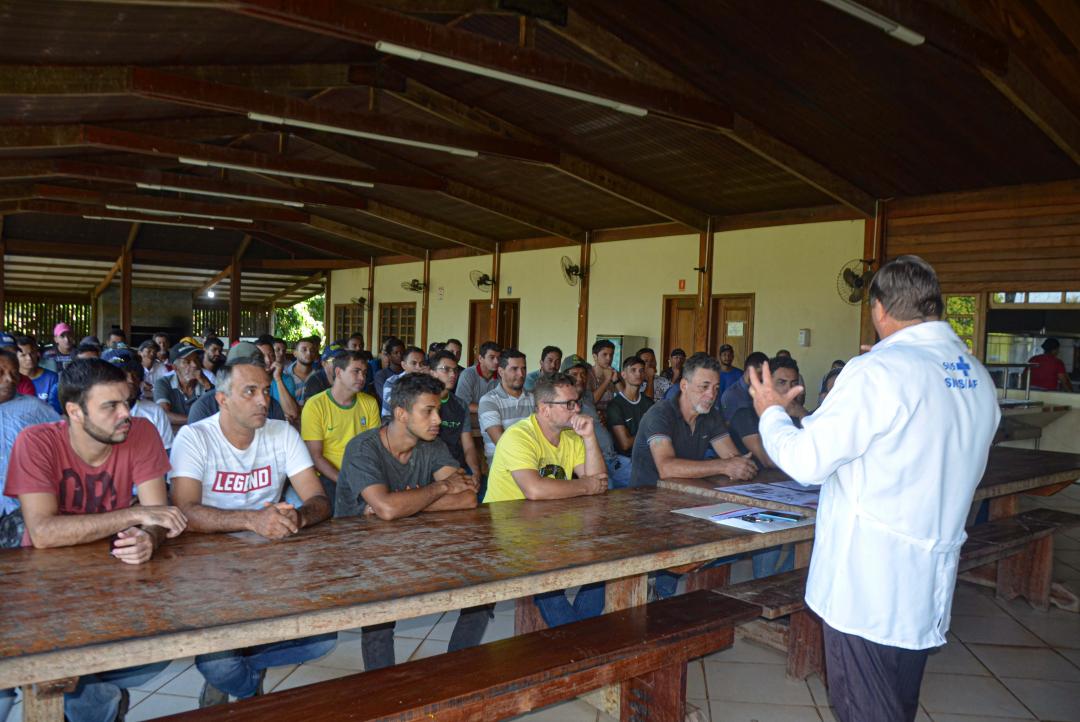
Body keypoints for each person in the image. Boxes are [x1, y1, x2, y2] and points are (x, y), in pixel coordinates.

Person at [750, 256, 999, 722]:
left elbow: (807, 462)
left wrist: (769, 410)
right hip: (926, 579)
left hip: (868, 582)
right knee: (897, 704)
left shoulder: (878, 373)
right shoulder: (975, 376)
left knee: (866, 709)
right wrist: (879, 364)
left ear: (879, 310)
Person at [3, 358, 184, 722]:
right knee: (40, 674)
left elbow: (158, 517)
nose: (125, 414)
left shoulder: (142, 433)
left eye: (127, 402)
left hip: (107, 578)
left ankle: (93, 699)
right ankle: (97, 701)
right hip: (35, 585)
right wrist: (135, 516)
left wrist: (150, 538)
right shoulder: (37, 442)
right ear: (75, 412)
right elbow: (42, 533)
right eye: (110, 406)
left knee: (154, 648)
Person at [170, 362, 336, 707]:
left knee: (323, 639)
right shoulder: (195, 436)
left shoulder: (281, 433)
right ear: (222, 399)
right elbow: (184, 510)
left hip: (270, 558)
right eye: (250, 392)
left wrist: (298, 520)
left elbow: (319, 500)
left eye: (265, 391)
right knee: (218, 661)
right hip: (206, 564)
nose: (263, 400)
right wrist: (251, 520)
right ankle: (249, 689)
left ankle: (241, 672)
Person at [335, 373, 486, 670]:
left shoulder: (431, 445)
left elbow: (467, 498)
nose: (438, 419)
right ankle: (384, 687)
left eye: (438, 410)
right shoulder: (363, 448)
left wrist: (408, 503)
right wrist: (439, 489)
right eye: (428, 411)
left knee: (481, 592)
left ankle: (458, 668)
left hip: (414, 541)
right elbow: (389, 509)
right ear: (401, 414)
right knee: (380, 612)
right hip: (357, 552)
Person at [483, 373, 608, 627]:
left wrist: (589, 437)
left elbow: (600, 482)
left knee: (603, 562)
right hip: (508, 531)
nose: (577, 408)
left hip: (551, 525)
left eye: (578, 402)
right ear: (544, 409)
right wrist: (585, 486)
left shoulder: (571, 436)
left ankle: (576, 638)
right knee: (545, 572)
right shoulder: (519, 436)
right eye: (568, 404)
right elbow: (535, 490)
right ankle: (577, 638)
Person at [630, 352, 757, 488]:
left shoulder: (711, 415)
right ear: (684, 386)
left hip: (687, 494)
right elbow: (666, 468)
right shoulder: (660, 414)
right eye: (704, 387)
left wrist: (742, 466)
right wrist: (724, 466)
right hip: (646, 498)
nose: (711, 395)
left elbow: (731, 456)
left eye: (716, 388)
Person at [301, 350, 381, 509]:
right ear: (338, 372)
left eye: (364, 373)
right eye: (356, 372)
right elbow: (316, 457)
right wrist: (346, 480)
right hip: (329, 476)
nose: (362, 378)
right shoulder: (316, 405)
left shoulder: (369, 403)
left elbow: (374, 449)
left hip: (362, 474)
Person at [0, 349, 60, 549]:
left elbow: (68, 442)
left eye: (14, 373)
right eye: (1, 372)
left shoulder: (35, 409)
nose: (9, 379)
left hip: (22, 510)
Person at [728, 356, 807, 467]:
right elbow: (768, 461)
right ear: (767, 384)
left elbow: (819, 453)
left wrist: (803, 414)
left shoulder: (798, 413)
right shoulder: (745, 415)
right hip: (754, 482)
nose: (789, 388)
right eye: (782, 382)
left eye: (793, 383)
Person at [187, 342, 287, 425]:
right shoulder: (204, 408)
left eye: (257, 369)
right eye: (242, 370)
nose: (250, 375)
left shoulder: (272, 406)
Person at [104, 348, 174, 452]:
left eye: (135, 375)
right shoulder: (96, 413)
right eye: (123, 375)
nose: (131, 380)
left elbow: (167, 452)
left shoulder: (154, 412)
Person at [429, 350, 482, 487]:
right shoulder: (423, 402)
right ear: (432, 373)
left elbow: (469, 446)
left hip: (458, 465)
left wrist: (476, 472)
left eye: (455, 370)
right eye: (446, 369)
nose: (453, 374)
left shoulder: (460, 405)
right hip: (430, 467)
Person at [478, 349, 534, 468]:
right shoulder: (488, 401)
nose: (521, 374)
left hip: (533, 462)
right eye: (514, 369)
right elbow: (502, 443)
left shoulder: (533, 399)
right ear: (501, 371)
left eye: (523, 368)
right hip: (502, 466)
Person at [605, 355, 654, 488]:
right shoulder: (615, 405)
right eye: (633, 370)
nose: (638, 374)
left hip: (647, 457)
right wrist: (646, 433)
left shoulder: (649, 403)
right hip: (624, 460)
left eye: (641, 370)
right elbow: (625, 444)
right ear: (624, 374)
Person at [154, 341, 213, 427]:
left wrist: (206, 383)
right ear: (175, 368)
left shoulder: (205, 382)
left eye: (196, 359)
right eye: (187, 361)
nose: (194, 365)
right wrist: (199, 419)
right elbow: (165, 414)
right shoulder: (163, 383)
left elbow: (218, 411)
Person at [253, 334, 300, 424]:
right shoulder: (248, 380)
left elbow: (292, 413)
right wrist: (280, 415)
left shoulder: (286, 379)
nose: (268, 360)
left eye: (271, 355)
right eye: (262, 356)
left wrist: (278, 379)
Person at [719, 351, 769, 422]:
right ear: (749, 371)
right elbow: (727, 427)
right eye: (760, 373)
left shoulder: (765, 391)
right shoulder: (730, 396)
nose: (764, 378)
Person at [379, 346, 428, 418]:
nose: (418, 367)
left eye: (422, 364)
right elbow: (402, 407)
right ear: (404, 365)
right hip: (391, 424)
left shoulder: (427, 382)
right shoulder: (391, 382)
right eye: (414, 363)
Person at [16, 335, 60, 413]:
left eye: (32, 353)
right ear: (15, 358)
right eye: (23, 355)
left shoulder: (52, 378)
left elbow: (55, 409)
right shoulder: (12, 379)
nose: (29, 358)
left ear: (37, 353)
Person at [455, 340, 500, 412]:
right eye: (492, 357)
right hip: (468, 419)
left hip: (493, 419)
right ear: (481, 359)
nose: (496, 361)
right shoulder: (468, 374)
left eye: (498, 358)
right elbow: (462, 404)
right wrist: (490, 409)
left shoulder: (501, 376)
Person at [588, 339, 618, 417]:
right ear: (595, 356)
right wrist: (607, 380)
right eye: (604, 354)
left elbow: (625, 398)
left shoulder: (614, 372)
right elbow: (591, 401)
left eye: (611, 355)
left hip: (611, 418)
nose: (609, 358)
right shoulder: (587, 375)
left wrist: (616, 381)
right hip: (593, 418)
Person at [285, 336, 319, 404]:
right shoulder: (284, 375)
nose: (309, 353)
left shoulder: (319, 377)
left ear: (315, 355)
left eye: (312, 350)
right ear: (295, 353)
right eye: (304, 350)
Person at [373, 337, 405, 401]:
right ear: (389, 355)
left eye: (402, 353)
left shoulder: (407, 373)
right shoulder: (381, 375)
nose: (400, 355)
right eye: (396, 353)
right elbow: (385, 397)